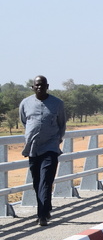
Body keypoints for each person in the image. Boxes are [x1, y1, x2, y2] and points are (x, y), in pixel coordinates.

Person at [19, 75, 66, 226]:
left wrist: (57, 140)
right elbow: (24, 121)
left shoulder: (57, 103)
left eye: (42, 85)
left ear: (47, 86)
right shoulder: (25, 103)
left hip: (50, 147)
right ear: (33, 87)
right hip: (33, 148)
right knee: (37, 181)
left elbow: (61, 124)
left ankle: (42, 215)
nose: (39, 87)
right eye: (37, 85)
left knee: (46, 180)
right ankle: (46, 207)